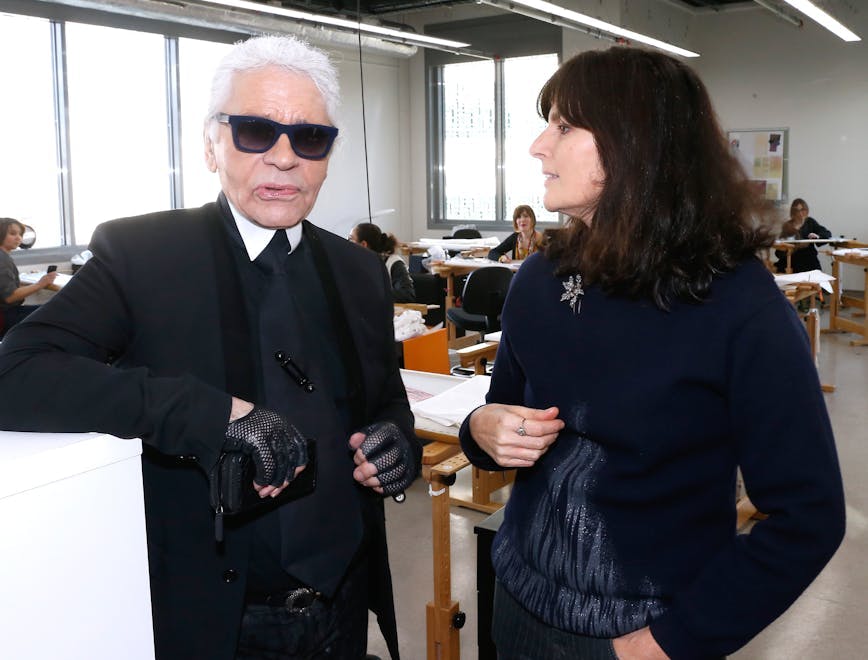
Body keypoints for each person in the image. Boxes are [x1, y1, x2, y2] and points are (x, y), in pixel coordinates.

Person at [0, 35, 420, 660]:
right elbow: (15, 374)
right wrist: (209, 413)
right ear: (210, 145)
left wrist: (395, 444)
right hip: (221, 619)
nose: (284, 159)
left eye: (309, 138)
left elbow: (385, 400)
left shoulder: (359, 271)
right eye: (255, 131)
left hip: (344, 604)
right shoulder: (144, 256)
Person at [460, 47, 845, 660]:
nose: (538, 145)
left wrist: (667, 643)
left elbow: (809, 517)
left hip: (645, 630)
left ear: (632, 143)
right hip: (518, 599)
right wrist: (482, 428)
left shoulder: (739, 308)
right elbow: (497, 414)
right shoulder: (540, 281)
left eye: (563, 125)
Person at [0, 217, 58, 335]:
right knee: (56, 311)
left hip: (6, 313)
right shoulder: (2, 258)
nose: (19, 238)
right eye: (12, 234)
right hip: (6, 316)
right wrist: (40, 284)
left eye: (20, 234)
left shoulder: (4, 256)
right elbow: (10, 297)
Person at [350, 222, 416, 303]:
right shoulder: (357, 264)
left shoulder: (394, 263)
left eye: (351, 239)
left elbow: (407, 295)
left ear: (363, 244)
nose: (347, 243)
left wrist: (370, 295)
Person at [774, 198, 832, 273]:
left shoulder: (810, 222)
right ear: (793, 212)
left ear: (806, 210)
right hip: (791, 260)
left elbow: (826, 233)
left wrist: (817, 236)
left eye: (803, 210)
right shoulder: (787, 226)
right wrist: (794, 246)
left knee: (818, 278)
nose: (800, 213)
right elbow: (779, 250)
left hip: (809, 260)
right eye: (797, 211)